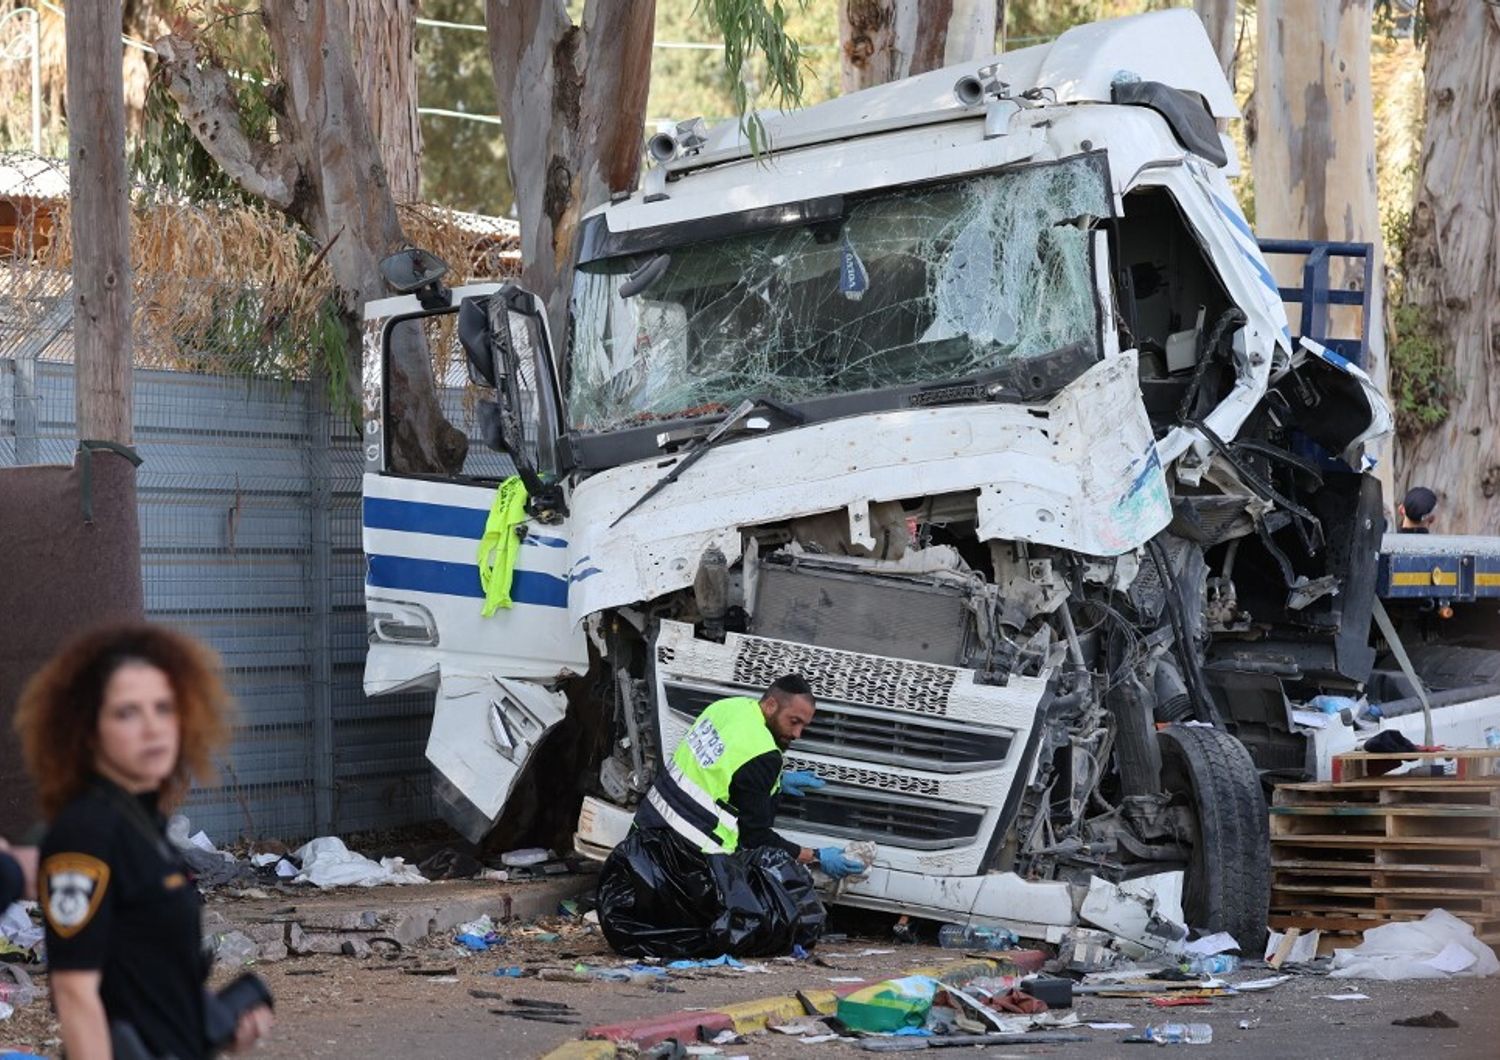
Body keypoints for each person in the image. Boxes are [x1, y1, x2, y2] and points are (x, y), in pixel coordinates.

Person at [13, 624, 274, 1059]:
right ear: (89, 732)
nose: (152, 727)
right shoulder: (85, 834)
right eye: (126, 713)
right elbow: (76, 993)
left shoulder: (145, 827)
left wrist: (220, 1033)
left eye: (164, 708)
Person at [597, 675, 866, 958]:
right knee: (757, 926)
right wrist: (817, 856)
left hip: (645, 832)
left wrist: (776, 781)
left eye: (803, 726)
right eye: (794, 721)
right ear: (772, 705)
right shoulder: (764, 755)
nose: (797, 734)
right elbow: (756, 838)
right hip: (685, 862)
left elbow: (722, 766)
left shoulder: (729, 707)